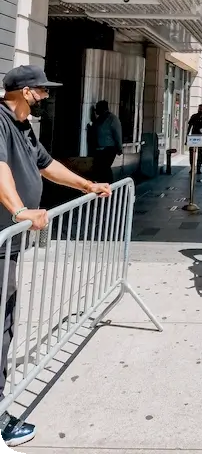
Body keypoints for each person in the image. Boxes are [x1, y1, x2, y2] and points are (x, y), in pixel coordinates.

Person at [0, 65, 111, 445]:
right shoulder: (0, 122)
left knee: (6, 319)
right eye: (42, 91)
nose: (46, 97)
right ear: (26, 92)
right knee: (2, 323)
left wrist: (87, 185)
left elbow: (46, 166)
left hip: (9, 242)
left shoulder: (23, 128)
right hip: (2, 239)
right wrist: (19, 212)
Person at [91, 100, 123, 185]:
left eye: (97, 109)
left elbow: (117, 134)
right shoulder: (99, 119)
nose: (96, 111)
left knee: (105, 168)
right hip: (99, 149)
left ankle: (109, 186)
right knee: (99, 168)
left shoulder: (112, 119)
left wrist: (119, 148)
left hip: (109, 148)